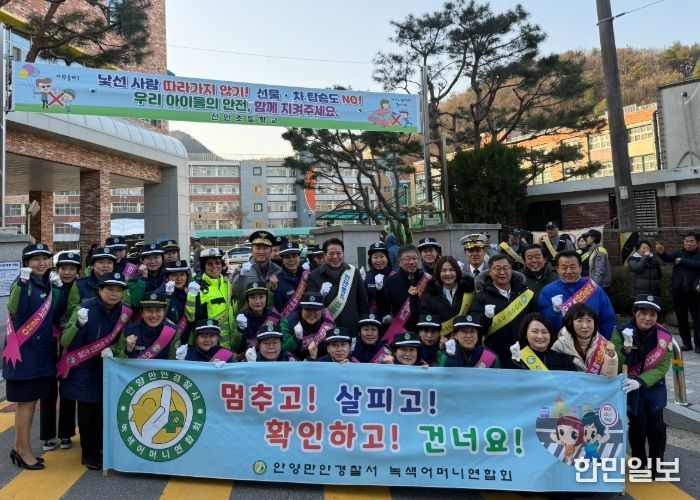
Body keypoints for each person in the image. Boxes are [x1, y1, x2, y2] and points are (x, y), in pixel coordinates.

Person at [60, 272, 132, 470]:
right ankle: (88, 454)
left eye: (118, 290)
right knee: (87, 412)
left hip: (107, 367)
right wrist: (78, 325)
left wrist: (114, 350)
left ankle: (100, 447)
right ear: (100, 290)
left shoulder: (125, 312)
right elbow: (65, 341)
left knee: (103, 410)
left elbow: (123, 340)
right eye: (110, 289)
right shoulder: (85, 308)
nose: (114, 294)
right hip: (84, 367)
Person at [3, 243, 62, 470]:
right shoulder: (23, 283)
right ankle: (24, 451)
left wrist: (58, 290)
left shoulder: (46, 284)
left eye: (45, 258)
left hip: (39, 354)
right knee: (26, 403)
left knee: (31, 401)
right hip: (23, 355)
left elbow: (55, 313)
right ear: (26, 263)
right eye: (35, 259)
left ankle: (19, 447)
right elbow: (16, 308)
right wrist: (21, 283)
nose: (41, 263)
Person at [611, 295, 672, 471]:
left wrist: (641, 381)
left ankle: (656, 464)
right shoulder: (619, 331)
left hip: (653, 385)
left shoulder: (664, 336)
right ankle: (639, 461)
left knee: (657, 425)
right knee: (638, 424)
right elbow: (614, 362)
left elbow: (662, 367)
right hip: (629, 385)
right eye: (643, 313)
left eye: (652, 314)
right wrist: (625, 348)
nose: (647, 318)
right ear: (635, 313)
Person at [41, 251, 81, 452]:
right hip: (50, 344)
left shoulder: (82, 288)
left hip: (72, 343)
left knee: (68, 390)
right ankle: (48, 435)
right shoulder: (47, 286)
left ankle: (66, 433)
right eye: (63, 268)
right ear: (57, 270)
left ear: (77, 271)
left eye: (71, 269)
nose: (67, 272)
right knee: (48, 391)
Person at [470, 254, 537, 368]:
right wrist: (486, 317)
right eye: (497, 268)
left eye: (506, 268)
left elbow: (537, 320)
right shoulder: (481, 297)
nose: (502, 272)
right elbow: (476, 328)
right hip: (494, 356)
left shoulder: (525, 294)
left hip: (525, 353)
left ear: (511, 270)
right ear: (490, 272)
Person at [539, 251, 616, 340]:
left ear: (580, 267)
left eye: (573, 267)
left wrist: (602, 342)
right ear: (557, 269)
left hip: (592, 343)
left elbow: (608, 319)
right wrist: (555, 312)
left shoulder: (594, 289)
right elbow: (545, 325)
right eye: (564, 268)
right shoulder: (547, 291)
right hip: (561, 344)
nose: (569, 271)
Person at [307, 238, 368, 337]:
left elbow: (363, 303)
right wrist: (320, 296)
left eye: (339, 253)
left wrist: (364, 326)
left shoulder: (353, 272)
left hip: (352, 328)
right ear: (324, 255)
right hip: (326, 330)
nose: (335, 257)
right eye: (331, 254)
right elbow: (311, 307)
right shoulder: (314, 276)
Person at [185, 248, 237, 350]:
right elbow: (191, 318)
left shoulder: (227, 284)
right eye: (210, 264)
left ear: (222, 265)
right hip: (211, 346)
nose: (214, 266)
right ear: (204, 267)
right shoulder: (198, 287)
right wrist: (191, 295)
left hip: (230, 344)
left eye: (218, 263)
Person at [656, 233, 700, 351]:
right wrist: (662, 253)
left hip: (694, 292)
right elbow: (668, 258)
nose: (688, 244)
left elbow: (697, 265)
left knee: (697, 318)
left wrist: (681, 260)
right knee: (681, 318)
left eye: (691, 241)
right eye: (686, 241)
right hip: (679, 291)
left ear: (698, 243)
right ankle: (686, 343)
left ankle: (698, 344)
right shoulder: (679, 252)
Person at [378, 244, 430, 342]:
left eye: (414, 258)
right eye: (407, 259)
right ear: (399, 262)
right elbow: (384, 306)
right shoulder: (391, 281)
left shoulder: (426, 279)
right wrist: (379, 291)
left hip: (426, 332)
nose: (411, 262)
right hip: (401, 331)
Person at [550, 303, 618, 377]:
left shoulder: (603, 344)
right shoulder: (559, 346)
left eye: (589, 320)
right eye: (579, 321)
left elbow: (609, 378)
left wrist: (610, 356)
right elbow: (556, 377)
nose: (585, 326)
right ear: (570, 323)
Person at [112, 292, 179, 360]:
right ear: (142, 313)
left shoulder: (172, 332)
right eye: (149, 310)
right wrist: (128, 350)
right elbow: (118, 361)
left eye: (158, 311)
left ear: (164, 312)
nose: (154, 315)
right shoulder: (129, 331)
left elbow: (173, 362)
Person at [419, 256, 475, 337]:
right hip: (439, 339)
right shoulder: (430, 293)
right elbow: (426, 319)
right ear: (438, 272)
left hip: (465, 338)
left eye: (451, 270)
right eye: (443, 270)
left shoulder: (469, 290)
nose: (448, 274)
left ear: (457, 271)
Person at [230, 230, 281, 311]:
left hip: (271, 317)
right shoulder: (241, 270)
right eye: (258, 248)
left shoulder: (278, 270)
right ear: (251, 250)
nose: (261, 252)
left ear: (270, 251)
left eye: (265, 248)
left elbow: (281, 298)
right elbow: (235, 296)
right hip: (247, 316)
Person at [510, 313, 577, 371]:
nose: (540, 336)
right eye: (535, 331)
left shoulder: (564, 359)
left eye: (544, 332)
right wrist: (517, 363)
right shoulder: (518, 359)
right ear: (525, 334)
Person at [280, 292, 335, 359]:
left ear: (321, 310)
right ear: (301, 309)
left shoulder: (328, 321)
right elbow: (282, 349)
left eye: (316, 309)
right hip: (295, 363)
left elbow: (335, 345)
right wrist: (296, 339)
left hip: (322, 362)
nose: (312, 313)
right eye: (308, 309)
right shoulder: (287, 322)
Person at [234, 282, 281, 354]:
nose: (257, 301)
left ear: (266, 298)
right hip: (247, 358)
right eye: (253, 297)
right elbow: (234, 348)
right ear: (247, 300)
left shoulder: (275, 316)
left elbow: (282, 344)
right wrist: (240, 330)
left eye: (261, 297)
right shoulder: (240, 318)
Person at [70, 246, 117, 317]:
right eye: (101, 262)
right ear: (92, 265)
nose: (105, 266)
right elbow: (72, 310)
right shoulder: (80, 284)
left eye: (109, 262)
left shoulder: (120, 285)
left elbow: (124, 309)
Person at [273, 242, 309, 317]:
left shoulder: (308, 276)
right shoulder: (277, 280)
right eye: (287, 257)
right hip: (288, 322)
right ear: (282, 259)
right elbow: (278, 308)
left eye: (294, 256)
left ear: (299, 257)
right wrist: (275, 290)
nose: (291, 260)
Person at [162, 259, 192, 345]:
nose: (178, 278)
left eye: (182, 274)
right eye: (174, 275)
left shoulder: (191, 294)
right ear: (167, 277)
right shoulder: (162, 294)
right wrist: (167, 296)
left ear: (187, 276)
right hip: (167, 341)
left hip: (188, 342)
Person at [127, 243, 166, 307]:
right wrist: (144, 278)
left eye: (156, 257)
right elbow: (135, 302)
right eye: (148, 258)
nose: (153, 261)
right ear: (142, 261)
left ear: (162, 259)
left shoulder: (168, 275)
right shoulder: (133, 280)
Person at [363, 242, 393, 318]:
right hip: (371, 320)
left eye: (382, 256)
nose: (379, 260)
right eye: (375, 257)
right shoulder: (366, 276)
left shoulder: (394, 276)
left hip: (392, 320)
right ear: (370, 260)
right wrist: (359, 283)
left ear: (387, 258)